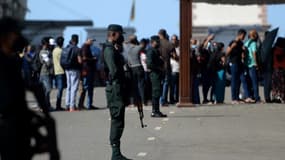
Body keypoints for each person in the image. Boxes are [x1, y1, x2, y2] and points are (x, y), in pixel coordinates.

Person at [0, 17, 60, 160]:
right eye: (15, 34)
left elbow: (23, 88)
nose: (18, 37)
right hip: (8, 124)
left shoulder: (12, 60)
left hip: (18, 124)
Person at [103, 24, 132, 160]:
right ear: (114, 34)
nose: (122, 37)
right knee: (117, 119)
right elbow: (113, 71)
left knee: (119, 119)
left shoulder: (114, 49)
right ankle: (115, 154)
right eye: (120, 34)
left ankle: (117, 153)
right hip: (115, 88)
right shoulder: (109, 50)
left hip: (118, 87)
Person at [226, 29, 254, 104]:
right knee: (234, 81)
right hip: (233, 63)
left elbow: (242, 54)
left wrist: (244, 52)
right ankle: (233, 98)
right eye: (244, 36)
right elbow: (227, 53)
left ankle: (247, 97)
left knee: (243, 79)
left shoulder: (241, 43)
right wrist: (232, 47)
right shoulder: (233, 42)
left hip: (240, 64)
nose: (244, 37)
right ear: (240, 34)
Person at [147, 35, 167, 118]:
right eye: (157, 41)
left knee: (158, 92)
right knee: (156, 92)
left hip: (158, 73)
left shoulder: (156, 50)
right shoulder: (151, 51)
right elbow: (149, 64)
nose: (159, 43)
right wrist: (159, 68)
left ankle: (156, 110)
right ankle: (154, 111)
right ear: (152, 42)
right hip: (154, 73)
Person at [78, 38, 97, 110]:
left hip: (88, 69)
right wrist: (93, 59)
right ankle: (82, 104)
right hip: (87, 70)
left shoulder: (87, 47)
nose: (92, 42)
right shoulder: (85, 47)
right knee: (86, 87)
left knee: (89, 88)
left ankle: (89, 104)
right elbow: (84, 58)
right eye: (91, 41)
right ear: (87, 40)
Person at [158, 29, 175, 106]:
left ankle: (159, 99)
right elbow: (174, 55)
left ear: (159, 34)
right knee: (166, 83)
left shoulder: (156, 43)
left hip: (158, 66)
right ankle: (163, 100)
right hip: (166, 66)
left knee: (159, 84)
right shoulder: (169, 44)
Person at [65, 34, 82, 112]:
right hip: (75, 70)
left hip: (67, 69)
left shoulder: (66, 48)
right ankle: (72, 107)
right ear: (77, 40)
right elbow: (80, 61)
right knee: (74, 88)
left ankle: (67, 105)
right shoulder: (77, 49)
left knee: (68, 87)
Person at [244, 30, 261, 103]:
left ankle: (251, 96)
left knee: (249, 82)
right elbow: (254, 53)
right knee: (255, 82)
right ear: (254, 35)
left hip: (247, 64)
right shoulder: (254, 43)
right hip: (253, 64)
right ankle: (257, 98)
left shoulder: (246, 43)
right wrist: (256, 63)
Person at [39, 37, 54, 110]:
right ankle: (44, 105)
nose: (49, 44)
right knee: (48, 89)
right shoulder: (43, 52)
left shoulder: (47, 51)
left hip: (47, 73)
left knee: (45, 90)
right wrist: (52, 60)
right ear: (45, 44)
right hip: (45, 73)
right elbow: (48, 62)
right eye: (48, 42)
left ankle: (47, 105)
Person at [52, 36, 66, 111]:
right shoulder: (61, 51)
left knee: (60, 88)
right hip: (61, 71)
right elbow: (63, 61)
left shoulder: (54, 50)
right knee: (60, 89)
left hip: (56, 71)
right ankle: (58, 105)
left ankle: (58, 105)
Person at [271, 37, 285, 103]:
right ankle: (282, 97)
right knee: (282, 84)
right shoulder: (283, 50)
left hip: (275, 68)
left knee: (275, 84)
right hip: (282, 69)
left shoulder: (274, 49)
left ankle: (275, 97)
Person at [169, 35, 180, 104]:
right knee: (172, 86)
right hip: (172, 69)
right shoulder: (170, 48)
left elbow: (178, 57)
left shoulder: (179, 48)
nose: (174, 40)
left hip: (179, 69)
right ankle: (172, 99)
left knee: (178, 86)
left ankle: (177, 99)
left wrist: (175, 56)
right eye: (172, 39)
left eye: (175, 39)